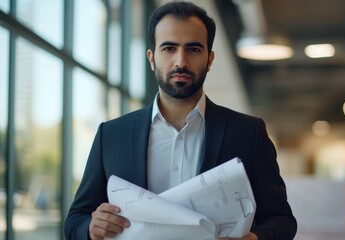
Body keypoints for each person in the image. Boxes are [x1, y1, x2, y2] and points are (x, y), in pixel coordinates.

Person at [64, 1, 297, 240]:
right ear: (152, 57)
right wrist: (91, 228)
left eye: (194, 49)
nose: (181, 62)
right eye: (169, 48)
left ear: (210, 59)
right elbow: (75, 221)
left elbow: (283, 220)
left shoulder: (249, 133)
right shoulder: (111, 135)